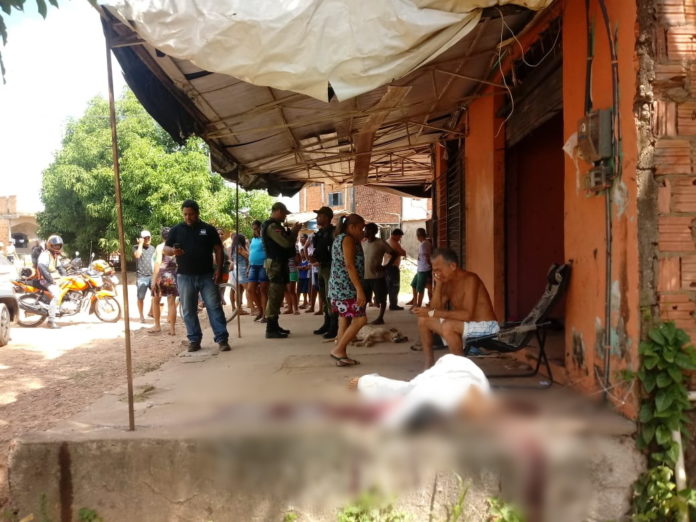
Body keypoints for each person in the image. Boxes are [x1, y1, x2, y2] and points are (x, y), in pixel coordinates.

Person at [412, 248, 498, 369]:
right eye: (434, 270)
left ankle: (461, 370)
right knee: (423, 319)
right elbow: (434, 309)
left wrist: (433, 312)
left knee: (448, 325)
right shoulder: (447, 282)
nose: (436, 274)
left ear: (452, 266)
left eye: (438, 269)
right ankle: (429, 364)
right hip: (465, 326)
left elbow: (467, 315)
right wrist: (439, 286)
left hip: (486, 327)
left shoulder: (470, 279)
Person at [164, 200, 231, 352]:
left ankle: (222, 339)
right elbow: (166, 248)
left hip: (207, 275)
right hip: (184, 276)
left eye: (191, 214)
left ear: (197, 213)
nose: (188, 217)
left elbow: (218, 249)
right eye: (185, 214)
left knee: (214, 307)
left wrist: (219, 270)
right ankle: (194, 340)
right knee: (188, 309)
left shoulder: (208, 229)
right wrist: (173, 251)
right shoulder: (176, 230)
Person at [328, 213, 367, 367]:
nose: (363, 232)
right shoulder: (348, 240)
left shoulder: (341, 238)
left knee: (344, 319)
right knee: (361, 319)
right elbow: (349, 265)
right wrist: (359, 290)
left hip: (339, 288)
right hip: (346, 288)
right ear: (351, 227)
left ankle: (341, 355)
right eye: (361, 229)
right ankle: (338, 350)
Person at [262, 202, 301, 338]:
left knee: (278, 295)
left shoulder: (276, 226)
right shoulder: (272, 226)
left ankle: (275, 325)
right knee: (274, 295)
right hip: (275, 264)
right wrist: (294, 232)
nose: (285, 216)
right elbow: (286, 243)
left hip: (279, 263)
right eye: (284, 213)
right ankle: (270, 328)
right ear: (278, 211)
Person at [311, 206, 338, 339]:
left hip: (330, 267)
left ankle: (334, 326)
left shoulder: (333, 232)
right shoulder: (320, 233)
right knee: (323, 295)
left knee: (329, 296)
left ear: (326, 218)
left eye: (319, 216)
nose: (317, 218)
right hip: (321, 267)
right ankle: (327, 323)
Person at [361, 223, 396, 325]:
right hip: (365, 276)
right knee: (364, 299)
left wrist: (386, 266)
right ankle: (362, 318)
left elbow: (394, 254)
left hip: (377, 276)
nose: (365, 231)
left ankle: (380, 318)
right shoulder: (364, 243)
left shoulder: (381, 243)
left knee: (381, 298)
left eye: (367, 230)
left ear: (373, 231)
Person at [149, 227, 178, 335]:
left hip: (161, 275)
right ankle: (172, 329)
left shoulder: (160, 247)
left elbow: (157, 263)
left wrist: (153, 280)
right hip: (172, 275)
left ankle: (157, 326)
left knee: (156, 301)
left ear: (162, 236)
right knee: (171, 303)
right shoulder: (176, 247)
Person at [36, 235, 67, 329]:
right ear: (50, 245)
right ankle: (51, 321)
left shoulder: (54, 255)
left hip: (54, 278)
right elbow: (42, 267)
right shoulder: (45, 255)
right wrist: (50, 280)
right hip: (45, 279)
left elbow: (60, 267)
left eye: (58, 245)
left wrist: (65, 275)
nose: (57, 247)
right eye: (55, 245)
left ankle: (59, 308)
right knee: (57, 296)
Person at [247, 220, 269, 323]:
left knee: (263, 290)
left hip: (263, 266)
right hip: (253, 266)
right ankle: (260, 310)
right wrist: (248, 267)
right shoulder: (253, 239)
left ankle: (265, 314)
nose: (255, 230)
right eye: (254, 229)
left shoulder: (265, 239)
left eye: (257, 228)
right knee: (250, 290)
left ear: (261, 228)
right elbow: (251, 252)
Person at [133, 230, 155, 323]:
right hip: (142, 276)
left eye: (148, 237)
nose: (147, 239)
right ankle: (141, 315)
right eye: (145, 238)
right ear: (140, 239)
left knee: (156, 295)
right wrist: (140, 244)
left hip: (152, 275)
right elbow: (137, 255)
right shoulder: (136, 247)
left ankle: (151, 311)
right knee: (141, 297)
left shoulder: (153, 248)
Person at [384, 229, 406, 311]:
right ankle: (393, 305)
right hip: (393, 267)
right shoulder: (394, 243)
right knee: (394, 286)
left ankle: (378, 300)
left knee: (387, 286)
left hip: (386, 266)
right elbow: (403, 253)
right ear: (396, 235)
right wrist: (402, 251)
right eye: (399, 236)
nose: (400, 238)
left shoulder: (387, 241)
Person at [410, 228, 432, 309]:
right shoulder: (424, 243)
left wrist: (430, 265)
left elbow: (427, 257)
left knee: (420, 289)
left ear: (418, 236)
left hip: (424, 269)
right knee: (414, 284)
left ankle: (418, 306)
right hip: (420, 269)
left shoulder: (424, 244)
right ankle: (415, 303)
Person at [230, 234, 250, 315]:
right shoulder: (239, 247)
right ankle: (252, 308)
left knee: (237, 290)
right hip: (242, 270)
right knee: (248, 289)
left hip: (236, 269)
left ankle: (239, 309)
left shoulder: (233, 247)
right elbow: (247, 256)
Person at [284, 246, 300, 315]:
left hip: (292, 270)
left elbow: (297, 261)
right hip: (284, 270)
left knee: (291, 290)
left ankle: (296, 309)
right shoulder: (282, 245)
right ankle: (290, 308)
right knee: (285, 290)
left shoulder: (294, 247)